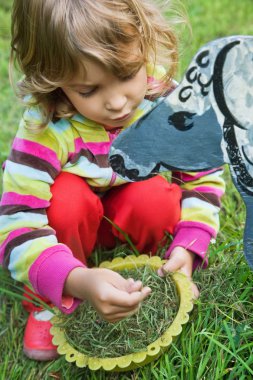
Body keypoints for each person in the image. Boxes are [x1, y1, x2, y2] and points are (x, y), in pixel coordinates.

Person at [0, 0, 225, 362]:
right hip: (70, 224)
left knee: (152, 199)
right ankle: (46, 300)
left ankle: (153, 263)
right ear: (54, 81)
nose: (118, 101)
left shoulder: (163, 98)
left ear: (144, 44)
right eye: (88, 90)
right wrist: (76, 280)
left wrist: (190, 243)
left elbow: (202, 169)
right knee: (66, 202)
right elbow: (17, 225)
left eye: (127, 73)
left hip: (126, 208)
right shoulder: (44, 128)